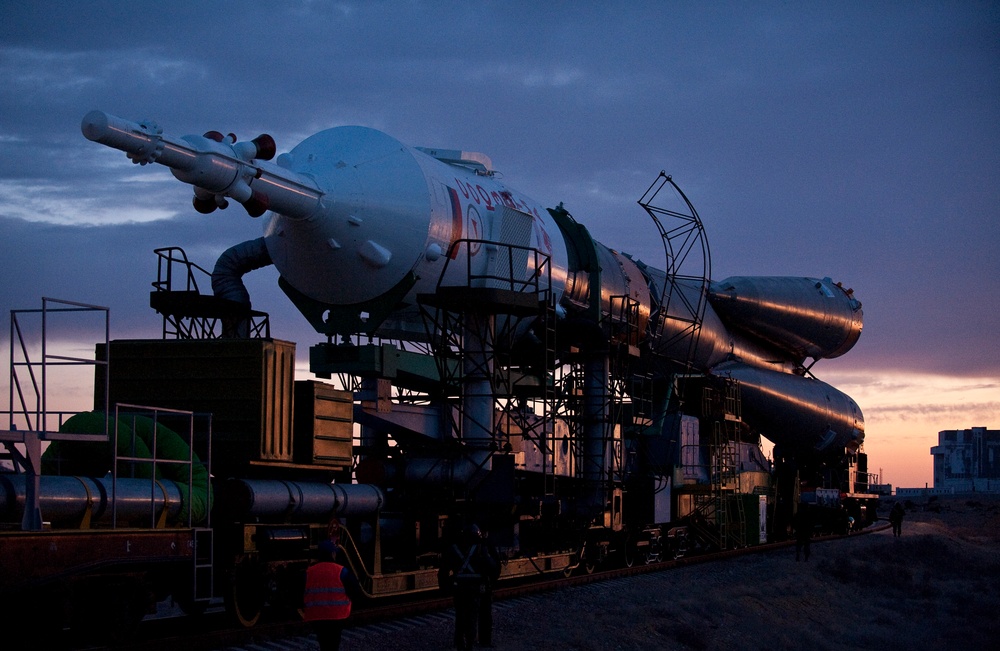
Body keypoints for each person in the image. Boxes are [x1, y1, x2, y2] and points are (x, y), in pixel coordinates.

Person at [440, 524, 497, 651]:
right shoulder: (480, 549)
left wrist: (444, 588)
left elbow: (443, 571)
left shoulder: (453, 549)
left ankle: (460, 642)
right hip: (474, 589)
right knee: (472, 616)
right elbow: (491, 566)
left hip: (459, 589)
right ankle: (470, 644)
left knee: (460, 615)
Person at [303, 540, 361, 651]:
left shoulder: (309, 572)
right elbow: (354, 592)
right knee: (334, 643)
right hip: (337, 616)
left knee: (323, 642)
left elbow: (300, 593)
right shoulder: (342, 571)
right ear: (333, 554)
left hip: (316, 616)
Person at [477, 527, 502, 648]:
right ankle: (485, 641)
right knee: (485, 614)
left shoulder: (466, 546)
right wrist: (492, 581)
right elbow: (496, 566)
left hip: (470, 586)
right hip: (485, 585)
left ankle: (462, 640)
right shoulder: (487, 546)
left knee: (466, 615)